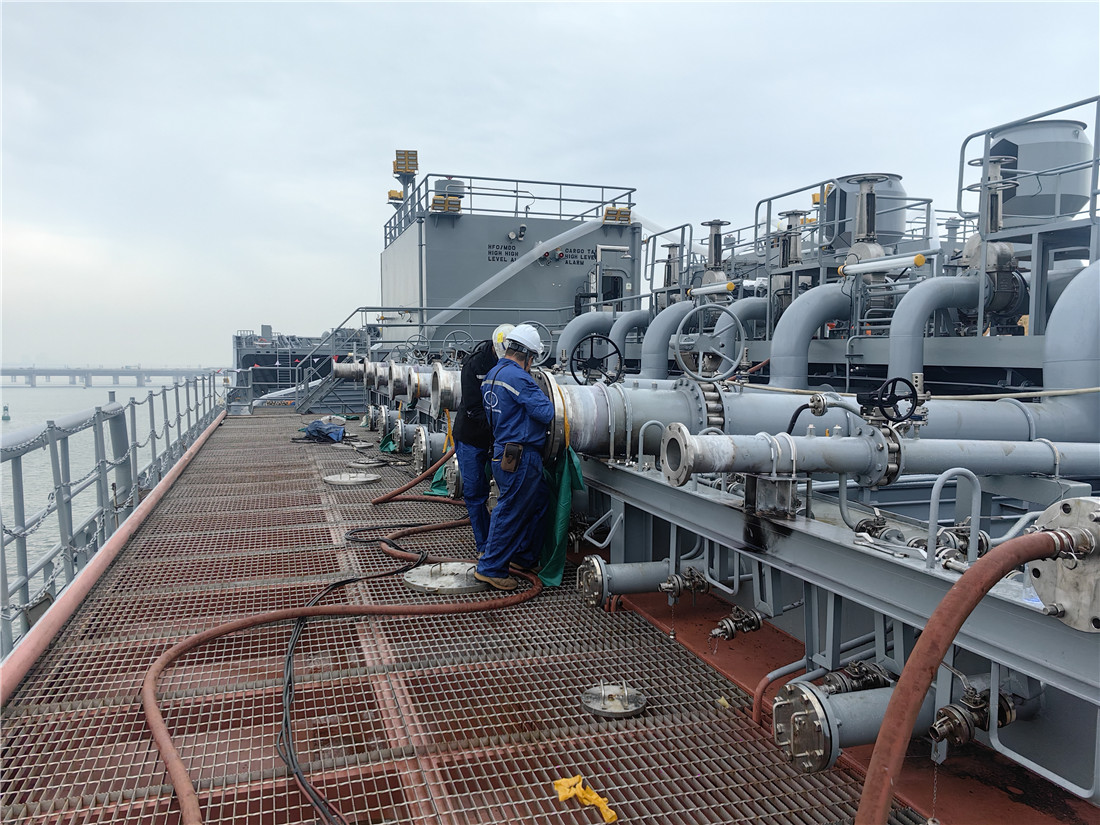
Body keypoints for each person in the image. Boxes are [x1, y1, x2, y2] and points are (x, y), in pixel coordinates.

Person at [475, 324, 555, 590]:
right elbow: (546, 412)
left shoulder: (493, 374)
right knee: (509, 510)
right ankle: (491, 568)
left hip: (503, 451)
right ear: (529, 357)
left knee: (539, 500)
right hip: (521, 455)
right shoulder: (519, 378)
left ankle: (523, 557)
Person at [452, 324, 512, 558]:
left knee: (510, 489)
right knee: (475, 491)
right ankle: (484, 545)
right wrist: (502, 426)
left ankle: (504, 542)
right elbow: (473, 407)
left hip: (499, 438)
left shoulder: (515, 364)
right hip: (472, 438)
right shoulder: (474, 364)